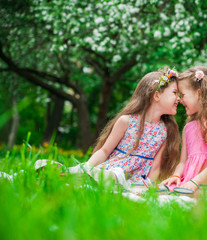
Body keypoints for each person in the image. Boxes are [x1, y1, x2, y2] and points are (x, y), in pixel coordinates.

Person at [37, 68, 180, 185]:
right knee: (108, 175)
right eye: (174, 93)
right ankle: (68, 173)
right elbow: (105, 151)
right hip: (111, 171)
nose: (179, 98)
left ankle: (68, 176)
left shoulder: (166, 131)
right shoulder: (127, 121)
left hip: (135, 181)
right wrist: (87, 166)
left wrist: (147, 186)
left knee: (111, 178)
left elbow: (155, 167)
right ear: (156, 96)